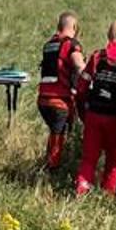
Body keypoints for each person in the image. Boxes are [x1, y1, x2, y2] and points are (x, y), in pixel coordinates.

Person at [74, 20, 116, 196]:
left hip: (94, 115)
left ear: (108, 37)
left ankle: (81, 191)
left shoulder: (96, 56)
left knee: (89, 159)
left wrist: (84, 112)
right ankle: (108, 197)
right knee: (114, 160)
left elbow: (81, 87)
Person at [35, 11, 86, 170]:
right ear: (75, 27)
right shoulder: (71, 45)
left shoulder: (48, 44)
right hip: (60, 101)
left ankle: (49, 165)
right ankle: (53, 170)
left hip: (43, 101)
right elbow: (78, 65)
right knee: (59, 136)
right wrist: (88, 76)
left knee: (54, 133)